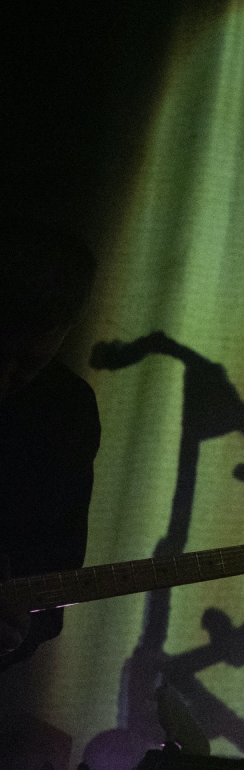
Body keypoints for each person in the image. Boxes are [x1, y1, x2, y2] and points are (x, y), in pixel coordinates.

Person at [0, 229, 101, 668]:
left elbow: (54, 584)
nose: (4, 380)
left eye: (28, 361)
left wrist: (16, 632)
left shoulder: (68, 413)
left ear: (67, 329)